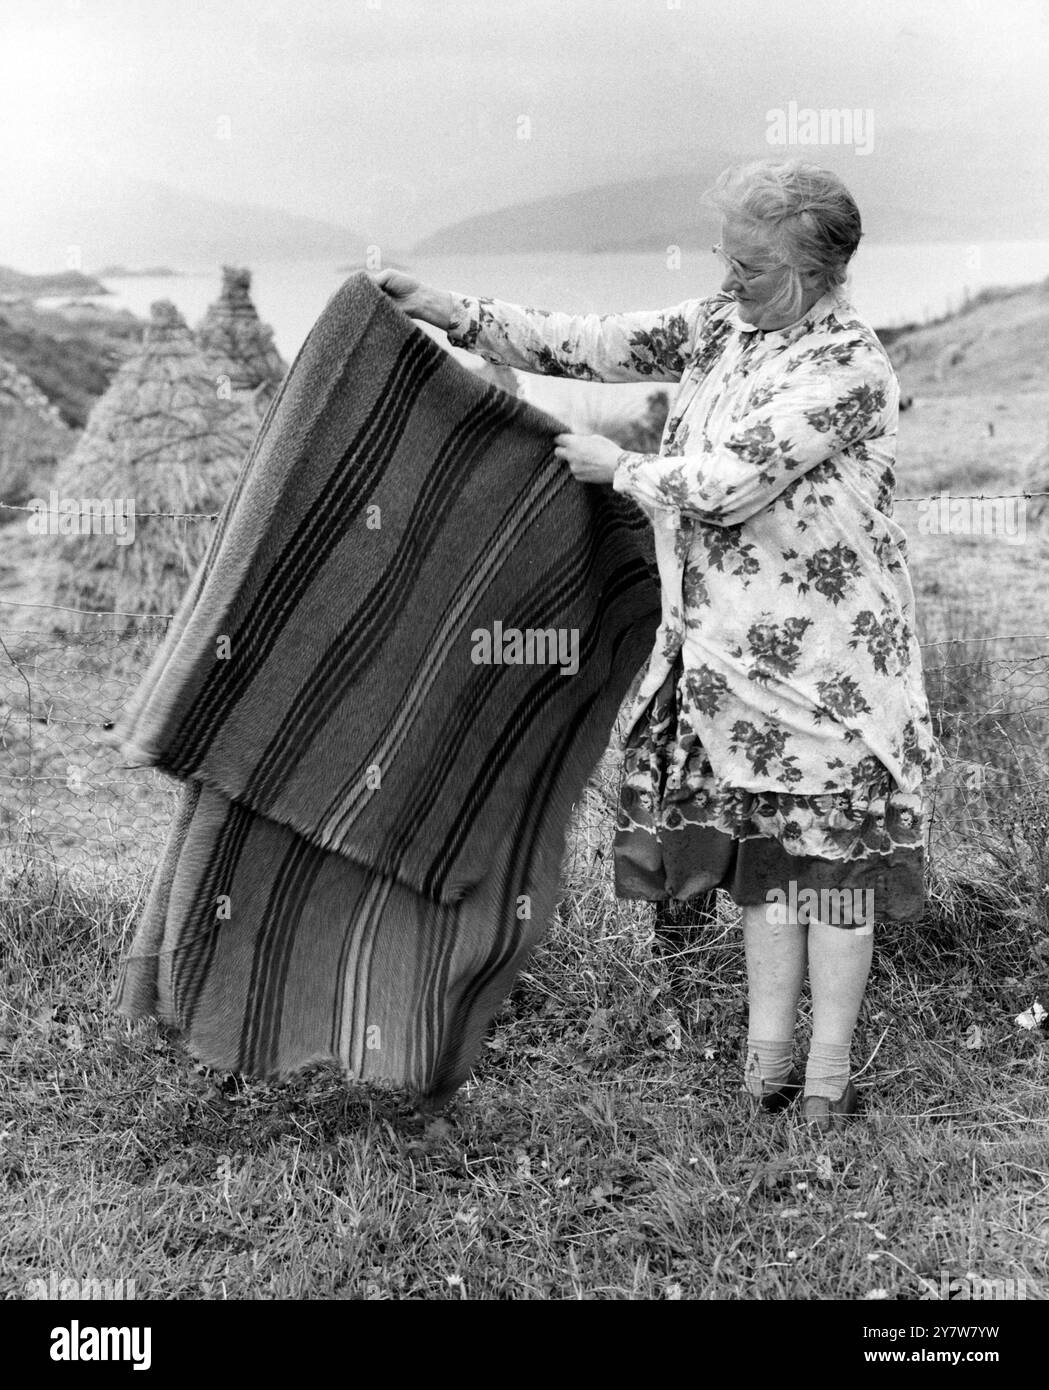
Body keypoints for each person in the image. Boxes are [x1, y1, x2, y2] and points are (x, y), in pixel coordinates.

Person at [371, 158, 942, 1133]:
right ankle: (766, 1068)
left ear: (812, 267)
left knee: (833, 876)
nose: (726, 279)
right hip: (733, 669)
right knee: (766, 868)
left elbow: (729, 480)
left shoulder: (845, 367)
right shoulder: (723, 325)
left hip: (834, 674)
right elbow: (591, 345)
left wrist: (618, 464)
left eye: (749, 264)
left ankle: (826, 1081)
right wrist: (452, 312)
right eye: (724, 257)